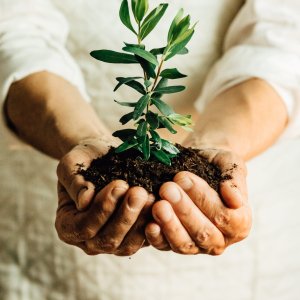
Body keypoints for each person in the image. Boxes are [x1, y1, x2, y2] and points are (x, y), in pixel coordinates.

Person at [1, 0, 300, 299]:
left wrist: (220, 144)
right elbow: (13, 30)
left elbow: (284, 42)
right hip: (42, 222)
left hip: (248, 259)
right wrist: (82, 139)